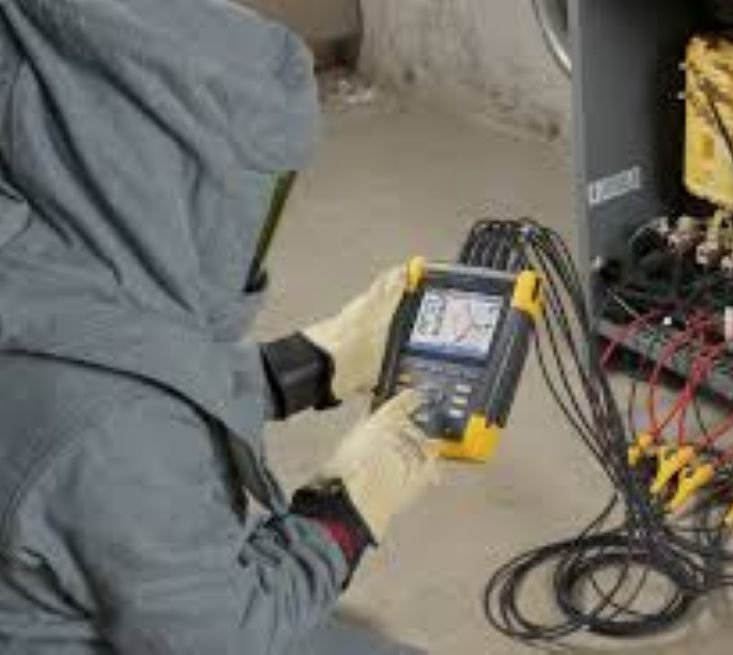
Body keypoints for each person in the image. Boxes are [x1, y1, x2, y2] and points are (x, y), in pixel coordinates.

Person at [0, 0, 437, 652]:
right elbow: (228, 636)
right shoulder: (118, 433)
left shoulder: (38, 270)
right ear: (158, 183)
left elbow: (116, 364)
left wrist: (307, 364)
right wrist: (345, 512)